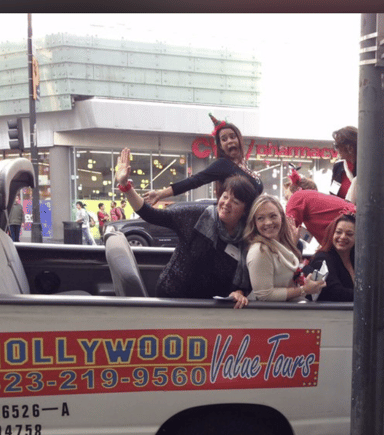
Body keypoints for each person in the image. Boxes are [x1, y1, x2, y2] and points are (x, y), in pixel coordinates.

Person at [116, 148, 257, 307]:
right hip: (173, 299)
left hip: (215, 307)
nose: (226, 203)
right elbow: (152, 215)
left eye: (236, 202)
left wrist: (240, 292)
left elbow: (247, 276)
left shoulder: (247, 237)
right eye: (225, 197)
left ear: (245, 210)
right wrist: (125, 186)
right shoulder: (196, 216)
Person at [142, 114, 263, 205]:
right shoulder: (223, 165)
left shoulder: (244, 165)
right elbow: (194, 180)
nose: (230, 141)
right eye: (224, 139)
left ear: (239, 139)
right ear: (220, 146)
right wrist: (160, 194)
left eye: (232, 137)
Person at [307, 212, 384, 310]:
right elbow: (334, 292)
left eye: (349, 234)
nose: (343, 237)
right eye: (338, 232)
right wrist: (369, 296)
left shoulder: (359, 259)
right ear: (332, 234)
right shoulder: (322, 258)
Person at [244, 195, 325, 302]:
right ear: (254, 223)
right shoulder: (260, 251)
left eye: (273, 216)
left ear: (282, 217)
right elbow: (265, 295)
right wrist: (304, 289)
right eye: (260, 218)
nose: (268, 222)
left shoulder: (280, 244)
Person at [329, 126, 357, 203]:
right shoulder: (338, 166)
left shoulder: (366, 167)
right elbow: (333, 194)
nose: (336, 149)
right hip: (341, 212)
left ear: (350, 148)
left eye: (337, 146)